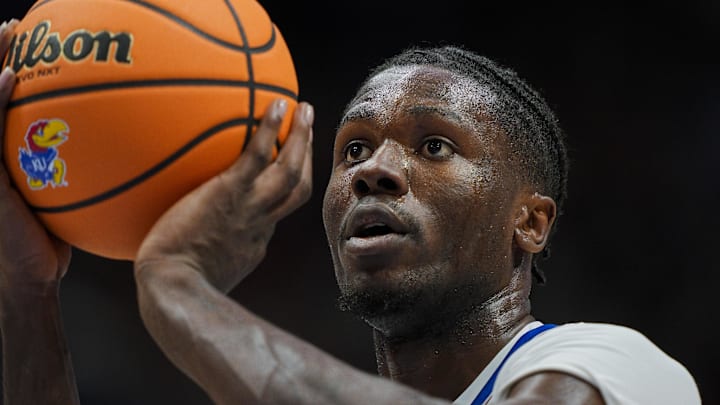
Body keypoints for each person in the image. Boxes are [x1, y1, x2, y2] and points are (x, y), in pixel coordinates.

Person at [0, 18, 701, 404]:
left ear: (532, 222)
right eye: (354, 148)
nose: (375, 169)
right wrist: (26, 290)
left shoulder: (617, 367)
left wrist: (176, 283)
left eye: (433, 145)